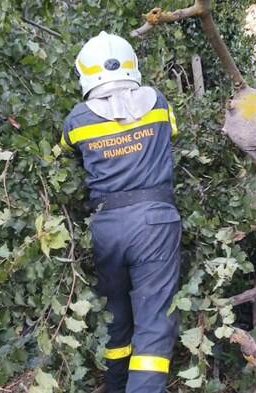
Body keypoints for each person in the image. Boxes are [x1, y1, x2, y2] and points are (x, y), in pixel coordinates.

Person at [61, 31, 181, 393]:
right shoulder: (158, 102)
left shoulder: (76, 121)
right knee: (154, 325)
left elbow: (66, 155)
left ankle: (114, 387)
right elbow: (171, 132)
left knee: (117, 318)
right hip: (155, 225)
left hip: (107, 226)